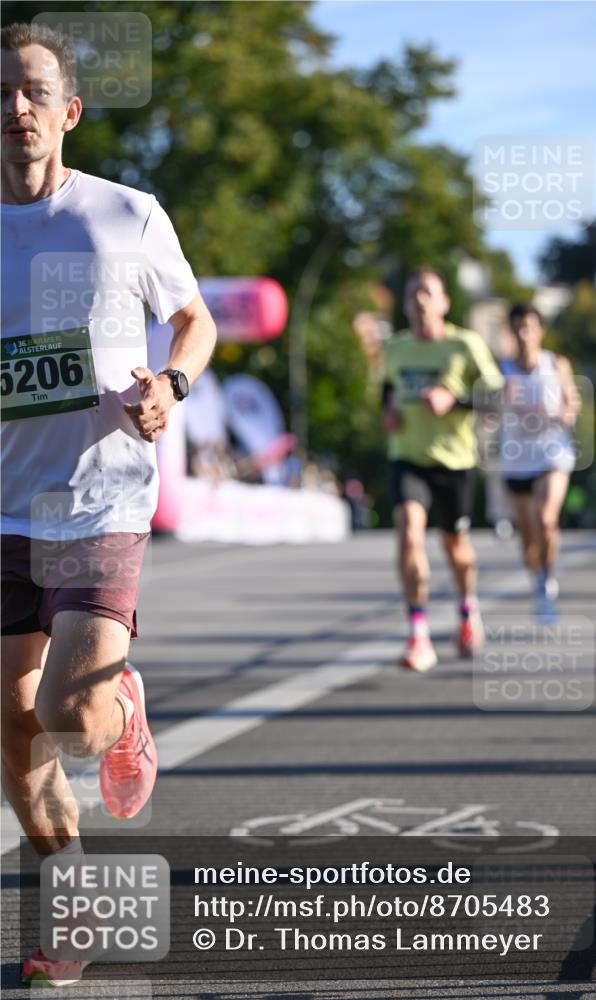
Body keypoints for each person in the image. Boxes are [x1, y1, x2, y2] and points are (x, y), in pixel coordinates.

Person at [1, 23, 217, 985]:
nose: (16, 108)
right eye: (0, 93)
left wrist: (171, 384)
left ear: (70, 112)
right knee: (13, 726)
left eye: (34, 92)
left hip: (100, 501)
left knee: (70, 720)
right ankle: (74, 900)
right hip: (3, 510)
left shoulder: (126, 213)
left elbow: (194, 318)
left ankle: (119, 706)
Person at [381, 268, 504, 670]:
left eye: (427, 292)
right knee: (408, 531)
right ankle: (418, 633)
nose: (419, 300)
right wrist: (388, 412)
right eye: (412, 293)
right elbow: (387, 388)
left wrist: (455, 401)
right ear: (404, 304)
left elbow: (495, 396)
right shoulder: (395, 348)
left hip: (455, 461)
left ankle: (467, 609)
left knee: (457, 550)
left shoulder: (464, 344)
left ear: (444, 302)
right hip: (408, 456)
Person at [499, 304, 581, 621]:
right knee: (528, 534)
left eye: (530, 327)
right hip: (517, 459)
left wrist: (567, 412)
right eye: (518, 327)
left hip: (552, 454)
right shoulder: (501, 369)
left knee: (546, 519)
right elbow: (492, 410)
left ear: (540, 331)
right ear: (510, 331)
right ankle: (537, 578)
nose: (524, 334)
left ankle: (547, 580)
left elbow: (572, 400)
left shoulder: (556, 364)